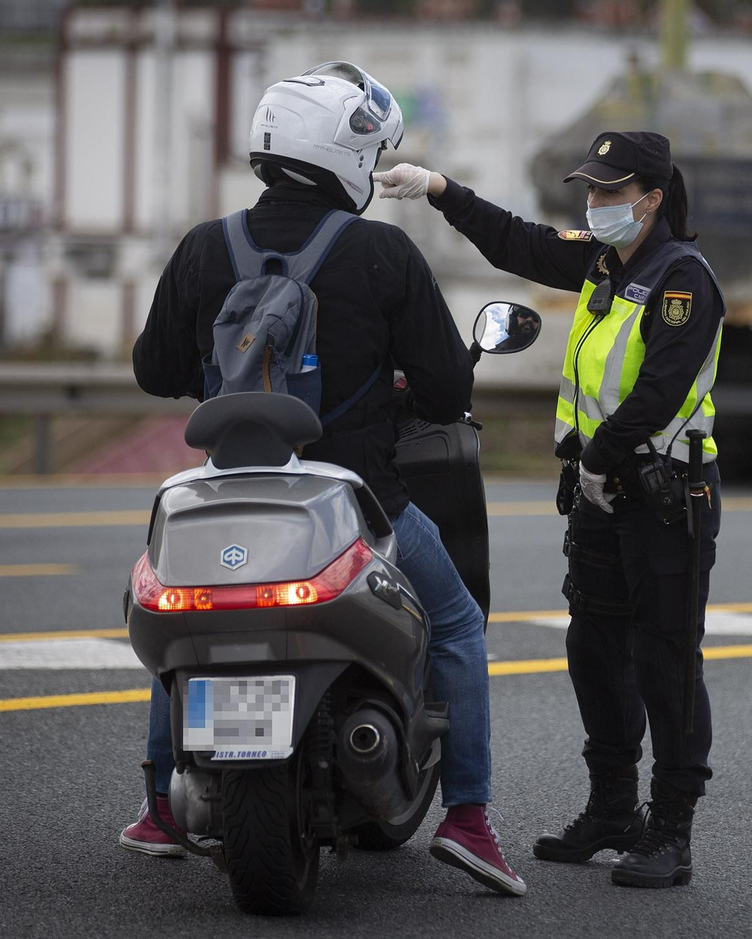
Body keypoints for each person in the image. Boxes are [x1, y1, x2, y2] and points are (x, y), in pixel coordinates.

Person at [118, 62, 525, 898]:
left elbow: (155, 370)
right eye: (371, 157)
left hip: (226, 504)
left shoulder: (204, 247)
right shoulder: (381, 251)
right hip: (355, 502)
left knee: (185, 638)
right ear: (346, 157)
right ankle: (470, 820)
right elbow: (448, 392)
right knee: (454, 625)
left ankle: (162, 807)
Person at [374, 130, 724, 889]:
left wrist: (601, 459)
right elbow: (519, 244)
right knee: (595, 653)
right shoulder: (604, 258)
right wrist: (439, 187)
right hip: (601, 499)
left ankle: (671, 832)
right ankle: (612, 810)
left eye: (609, 192)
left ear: (653, 199)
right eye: (590, 190)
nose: (593, 204)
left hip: (664, 498)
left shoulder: (681, 280)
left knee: (665, 662)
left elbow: (660, 388)